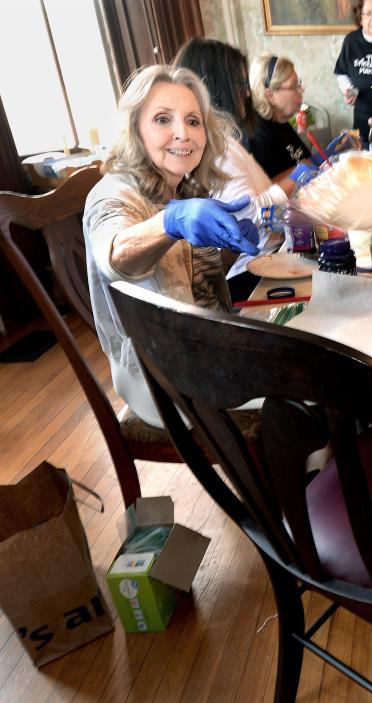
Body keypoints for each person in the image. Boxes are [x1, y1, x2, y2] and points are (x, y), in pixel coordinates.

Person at [84, 65, 259, 428]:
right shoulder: (114, 194)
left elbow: (190, 283)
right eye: (163, 119)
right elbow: (113, 258)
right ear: (136, 130)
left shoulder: (182, 189)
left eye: (193, 121)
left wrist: (230, 246)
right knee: (313, 383)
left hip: (206, 347)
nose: (183, 133)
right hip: (160, 378)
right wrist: (170, 223)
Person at [174, 38, 296, 299]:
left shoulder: (225, 141)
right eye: (241, 84)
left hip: (263, 260)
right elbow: (248, 211)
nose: (248, 92)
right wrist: (294, 180)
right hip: (250, 274)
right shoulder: (219, 150)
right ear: (218, 87)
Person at [335, 0, 372, 143]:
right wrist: (349, 90)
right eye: (367, 14)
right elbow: (342, 73)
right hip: (362, 117)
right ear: (360, 17)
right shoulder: (351, 41)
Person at [249, 53, 312, 180]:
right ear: (270, 95)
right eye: (294, 86)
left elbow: (303, 158)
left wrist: (332, 152)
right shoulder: (258, 135)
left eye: (298, 84)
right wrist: (310, 166)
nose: (301, 90)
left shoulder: (280, 120)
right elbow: (272, 187)